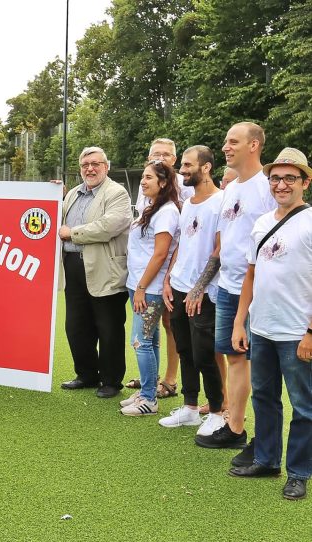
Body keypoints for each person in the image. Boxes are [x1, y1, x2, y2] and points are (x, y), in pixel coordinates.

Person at [228, 148, 312, 501]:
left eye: (289, 178)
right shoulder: (262, 223)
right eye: (275, 178)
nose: (281, 184)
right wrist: (239, 322)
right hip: (261, 328)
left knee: (304, 407)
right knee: (264, 397)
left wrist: (310, 332)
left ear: (305, 182)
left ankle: (299, 473)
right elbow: (251, 275)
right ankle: (266, 459)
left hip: (297, 333)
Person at [195, 122, 276, 452]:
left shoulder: (266, 187)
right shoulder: (231, 189)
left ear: (254, 145)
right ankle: (236, 427)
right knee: (235, 356)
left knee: (262, 364)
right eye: (226, 141)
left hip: (256, 289)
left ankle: (266, 440)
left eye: (233, 141)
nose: (225, 147)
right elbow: (224, 242)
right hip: (227, 288)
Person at [160, 145, 226, 435]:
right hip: (178, 286)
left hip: (204, 293)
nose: (182, 170)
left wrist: (199, 289)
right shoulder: (187, 203)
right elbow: (182, 246)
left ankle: (216, 412)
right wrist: (168, 279)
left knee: (204, 355)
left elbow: (221, 248)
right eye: (182, 165)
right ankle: (189, 408)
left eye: (188, 165)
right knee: (185, 350)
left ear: (207, 167)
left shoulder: (222, 202)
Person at [59, 147, 132, 398]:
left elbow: (108, 226)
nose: (89, 169)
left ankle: (111, 381)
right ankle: (86, 375)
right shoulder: (73, 195)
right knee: (76, 326)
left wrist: (73, 233)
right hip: (73, 266)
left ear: (106, 166)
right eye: (85, 165)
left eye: (95, 164)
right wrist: (49, 194)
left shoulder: (117, 193)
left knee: (109, 327)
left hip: (105, 268)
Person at [127, 138, 191, 400]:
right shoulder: (148, 197)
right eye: (155, 155)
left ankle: (162, 385)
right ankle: (149, 384)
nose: (160, 158)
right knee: (151, 337)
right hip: (143, 279)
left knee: (154, 333)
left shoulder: (176, 200)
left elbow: (166, 248)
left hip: (158, 281)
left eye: (166, 155)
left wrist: (155, 282)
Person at [118, 160, 180, 416]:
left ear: (163, 183)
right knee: (151, 341)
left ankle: (148, 400)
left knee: (140, 341)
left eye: (149, 178)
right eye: (143, 177)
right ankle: (148, 390)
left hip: (150, 288)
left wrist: (143, 287)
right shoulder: (150, 206)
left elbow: (160, 254)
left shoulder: (167, 211)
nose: (143, 181)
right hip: (139, 284)